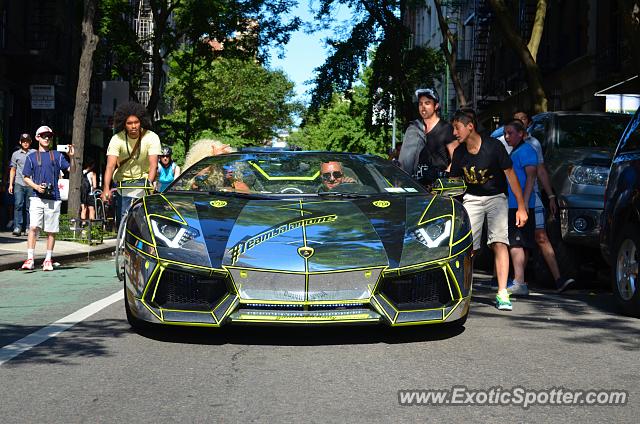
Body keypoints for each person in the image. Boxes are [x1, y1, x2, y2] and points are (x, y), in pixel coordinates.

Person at [449, 109, 528, 311]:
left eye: (457, 128)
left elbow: (511, 175)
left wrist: (521, 206)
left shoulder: (494, 147)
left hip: (496, 197)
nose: (454, 133)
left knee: (499, 242)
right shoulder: (459, 153)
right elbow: (454, 184)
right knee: (469, 247)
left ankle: (502, 292)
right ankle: (464, 290)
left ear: (470, 126)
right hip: (471, 199)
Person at [512, 110, 575, 293]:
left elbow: (540, 171)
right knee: (516, 240)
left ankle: (559, 279)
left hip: (533, 197)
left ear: (528, 123)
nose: (520, 123)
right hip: (512, 199)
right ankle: (515, 281)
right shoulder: (504, 143)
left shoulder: (533, 144)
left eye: (523, 120)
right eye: (517, 120)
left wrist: (551, 195)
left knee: (541, 236)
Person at [20, 126, 74, 271]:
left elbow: (72, 169)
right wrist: (36, 187)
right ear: (37, 138)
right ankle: (30, 258)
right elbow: (25, 178)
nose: (47, 138)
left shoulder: (57, 155)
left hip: (53, 198)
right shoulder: (31, 157)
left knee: (51, 230)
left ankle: (48, 259)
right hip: (36, 197)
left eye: (49, 136)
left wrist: (71, 156)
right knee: (33, 227)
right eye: (43, 136)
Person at [100, 102, 161, 222]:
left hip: (144, 184)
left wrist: (149, 183)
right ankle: (123, 236)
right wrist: (106, 188)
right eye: (129, 123)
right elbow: (110, 166)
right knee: (123, 219)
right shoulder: (117, 139)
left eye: (136, 122)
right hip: (123, 184)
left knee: (143, 221)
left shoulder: (151, 137)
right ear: (124, 124)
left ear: (141, 122)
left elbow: (154, 165)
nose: (133, 126)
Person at [503, 120, 538, 296]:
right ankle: (519, 279)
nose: (506, 136)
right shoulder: (516, 151)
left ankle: (519, 281)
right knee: (519, 242)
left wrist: (522, 206)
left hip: (519, 205)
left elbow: (531, 178)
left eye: (510, 133)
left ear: (521, 134)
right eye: (505, 133)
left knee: (516, 242)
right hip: (514, 204)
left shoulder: (526, 151)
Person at [398, 88, 458, 185]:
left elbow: (457, 158)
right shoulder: (414, 128)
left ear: (436, 106)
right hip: (417, 186)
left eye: (427, 103)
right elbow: (405, 161)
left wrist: (444, 177)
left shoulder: (446, 128)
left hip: (438, 187)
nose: (423, 107)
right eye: (420, 104)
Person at [9, 133, 36, 236]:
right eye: (23, 141)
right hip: (19, 183)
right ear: (20, 142)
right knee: (18, 205)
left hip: (31, 183)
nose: (25, 143)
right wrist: (10, 184)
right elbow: (13, 169)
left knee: (30, 207)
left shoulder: (34, 153)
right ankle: (17, 227)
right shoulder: (15, 154)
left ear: (30, 142)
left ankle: (29, 227)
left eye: (27, 141)